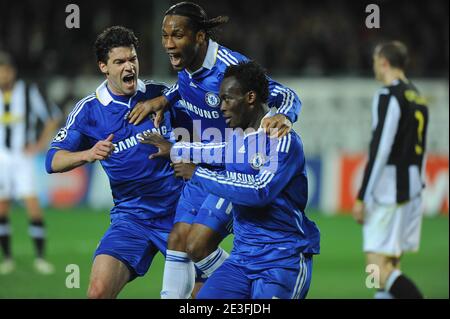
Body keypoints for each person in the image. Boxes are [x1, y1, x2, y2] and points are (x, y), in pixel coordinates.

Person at [129, 1, 302, 298]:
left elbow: (284, 93)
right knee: (179, 240)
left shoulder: (228, 67)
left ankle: (242, 280)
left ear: (199, 37)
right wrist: (166, 100)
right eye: (164, 36)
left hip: (235, 169)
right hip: (206, 163)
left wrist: (283, 114)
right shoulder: (186, 65)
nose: (168, 44)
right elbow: (186, 87)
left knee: (197, 245)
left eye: (177, 36)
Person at [146, 61, 320, 298]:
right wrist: (175, 149)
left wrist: (197, 173)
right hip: (242, 260)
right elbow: (214, 150)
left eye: (228, 99)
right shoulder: (240, 139)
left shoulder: (283, 140)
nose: (222, 107)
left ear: (250, 98)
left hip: (281, 260)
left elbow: (260, 191)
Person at [45, 26, 183, 298]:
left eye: (132, 59)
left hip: (180, 211)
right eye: (119, 62)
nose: (129, 66)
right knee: (97, 293)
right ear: (103, 67)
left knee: (202, 296)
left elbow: (200, 117)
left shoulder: (159, 95)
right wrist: (88, 154)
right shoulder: (90, 111)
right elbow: (53, 160)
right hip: (132, 217)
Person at [352, 41, 428, 299]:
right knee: (391, 266)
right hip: (412, 190)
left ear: (384, 62)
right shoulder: (417, 96)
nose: (373, 66)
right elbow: (422, 151)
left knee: (376, 270)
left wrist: (363, 196)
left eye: (375, 61)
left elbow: (380, 149)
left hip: (388, 193)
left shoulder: (388, 96)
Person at [0, 51, 60, 275]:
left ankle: (40, 258)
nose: (1, 76)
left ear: (12, 72)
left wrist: (41, 143)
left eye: (4, 71)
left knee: (33, 206)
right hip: (2, 158)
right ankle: (7, 258)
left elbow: (53, 115)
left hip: (23, 157)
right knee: (2, 208)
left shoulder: (27, 91)